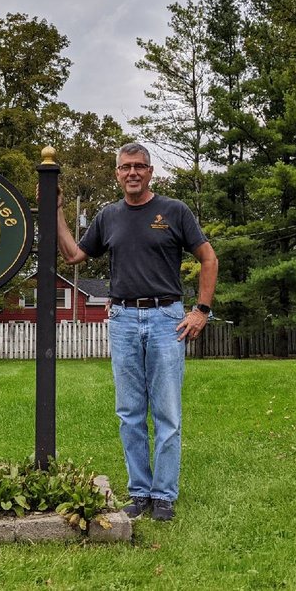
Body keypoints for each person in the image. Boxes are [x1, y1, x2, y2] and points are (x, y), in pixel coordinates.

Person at [56, 142, 218, 522]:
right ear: (117, 173)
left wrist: (202, 311)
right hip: (124, 319)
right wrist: (57, 209)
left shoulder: (174, 211)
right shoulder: (107, 217)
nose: (132, 173)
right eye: (125, 167)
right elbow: (73, 256)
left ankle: (164, 495)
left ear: (150, 172)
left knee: (166, 410)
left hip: (167, 319)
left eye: (139, 167)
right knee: (129, 411)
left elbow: (208, 258)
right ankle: (140, 493)